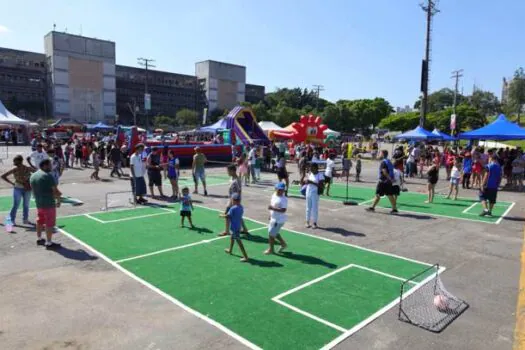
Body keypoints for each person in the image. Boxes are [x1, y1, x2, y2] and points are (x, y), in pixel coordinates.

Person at [30, 159, 61, 249]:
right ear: (45, 166)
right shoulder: (48, 176)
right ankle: (49, 243)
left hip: (39, 203)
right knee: (49, 223)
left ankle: (39, 239)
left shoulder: (34, 175)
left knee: (40, 220)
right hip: (48, 203)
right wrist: (58, 200)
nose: (51, 167)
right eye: (50, 165)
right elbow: (55, 191)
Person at [1, 155, 34, 225]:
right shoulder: (15, 169)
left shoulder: (28, 168)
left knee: (26, 205)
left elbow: (38, 173)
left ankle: (25, 219)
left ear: (21, 161)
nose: (15, 163)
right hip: (18, 188)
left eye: (16, 162)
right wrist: (12, 183)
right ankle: (11, 220)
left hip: (27, 189)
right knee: (16, 205)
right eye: (14, 162)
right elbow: (3, 176)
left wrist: (32, 182)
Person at [219, 164, 249, 236]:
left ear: (232, 171)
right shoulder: (231, 178)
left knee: (227, 215)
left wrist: (235, 202)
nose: (227, 172)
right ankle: (245, 229)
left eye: (228, 171)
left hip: (234, 200)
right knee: (237, 215)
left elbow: (239, 191)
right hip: (231, 199)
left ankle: (227, 231)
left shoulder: (237, 180)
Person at [223, 193, 249, 262]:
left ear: (233, 200)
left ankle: (246, 257)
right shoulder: (241, 207)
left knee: (239, 242)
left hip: (234, 228)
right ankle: (230, 250)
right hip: (238, 226)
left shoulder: (233, 208)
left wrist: (222, 216)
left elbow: (228, 216)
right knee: (232, 238)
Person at [265, 183, 288, 255]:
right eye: (279, 189)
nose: (280, 191)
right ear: (276, 189)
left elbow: (283, 210)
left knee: (271, 234)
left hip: (279, 220)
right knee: (274, 232)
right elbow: (272, 204)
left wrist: (272, 208)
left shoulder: (284, 199)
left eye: (282, 190)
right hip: (273, 218)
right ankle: (283, 244)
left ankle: (271, 249)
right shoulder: (274, 195)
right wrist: (270, 214)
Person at [304, 163, 324, 228]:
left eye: (312, 168)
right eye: (310, 168)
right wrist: (305, 180)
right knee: (308, 208)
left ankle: (314, 223)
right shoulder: (310, 173)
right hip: (308, 192)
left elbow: (321, 186)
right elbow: (305, 180)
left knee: (314, 208)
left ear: (316, 168)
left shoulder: (320, 175)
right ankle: (307, 222)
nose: (311, 169)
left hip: (315, 193)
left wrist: (311, 182)